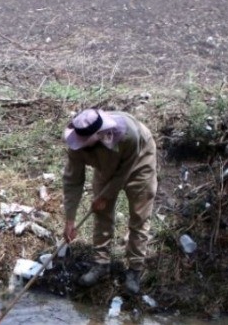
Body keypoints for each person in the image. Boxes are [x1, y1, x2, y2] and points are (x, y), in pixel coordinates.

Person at [62, 108, 158, 293]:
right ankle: (101, 263)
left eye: (83, 141)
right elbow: (73, 180)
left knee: (139, 214)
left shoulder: (129, 135)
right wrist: (70, 219)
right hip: (104, 164)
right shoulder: (77, 144)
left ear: (99, 133)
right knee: (101, 211)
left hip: (139, 160)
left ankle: (135, 269)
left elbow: (123, 173)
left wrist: (105, 195)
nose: (79, 144)